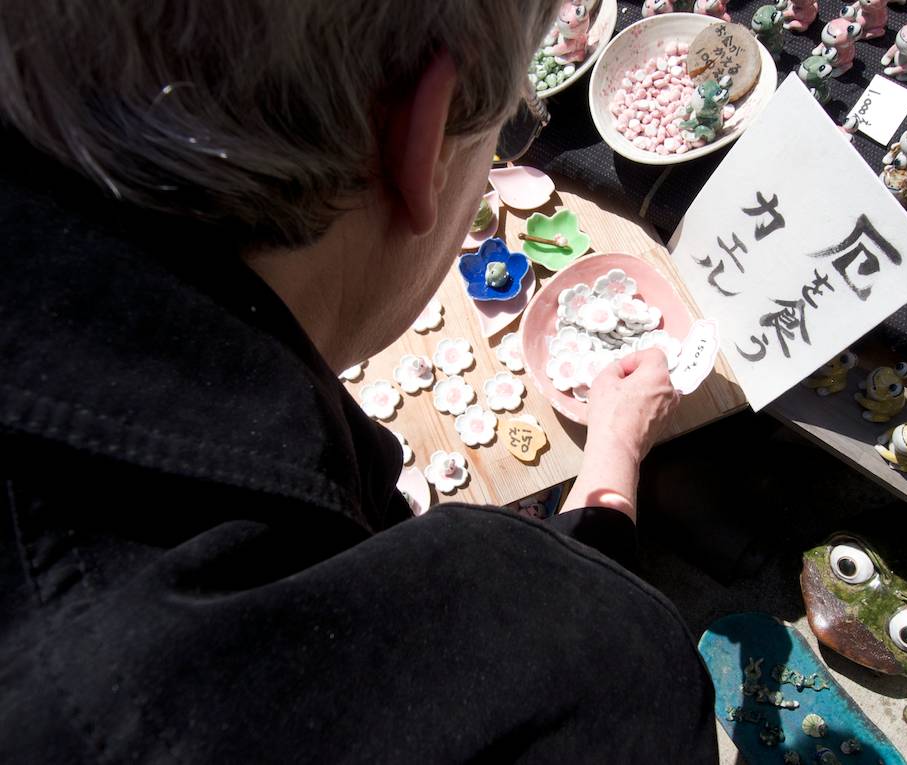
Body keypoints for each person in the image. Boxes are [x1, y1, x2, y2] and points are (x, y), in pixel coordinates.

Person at [0, 1, 717, 761]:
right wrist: (610, 469)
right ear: (423, 137)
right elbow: (536, 646)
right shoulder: (591, 695)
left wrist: (611, 444)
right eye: (512, 124)